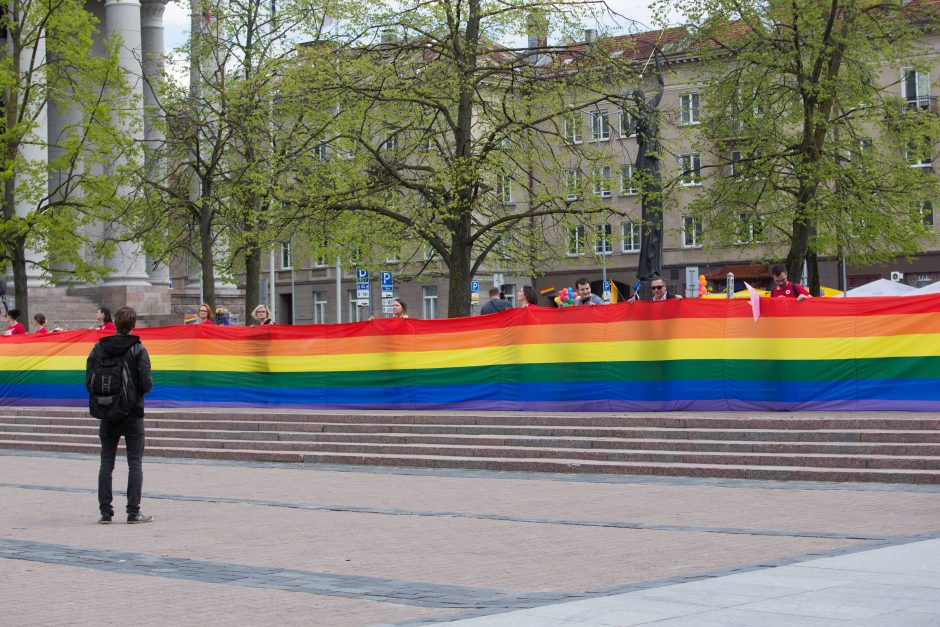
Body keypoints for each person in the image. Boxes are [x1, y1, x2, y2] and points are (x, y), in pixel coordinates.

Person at [86, 306, 153, 524]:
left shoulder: (99, 347)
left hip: (107, 410)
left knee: (106, 461)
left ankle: (105, 512)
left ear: (114, 323)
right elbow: (146, 383)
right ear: (133, 325)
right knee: (135, 462)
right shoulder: (138, 349)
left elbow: (89, 380)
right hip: (133, 412)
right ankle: (133, 512)